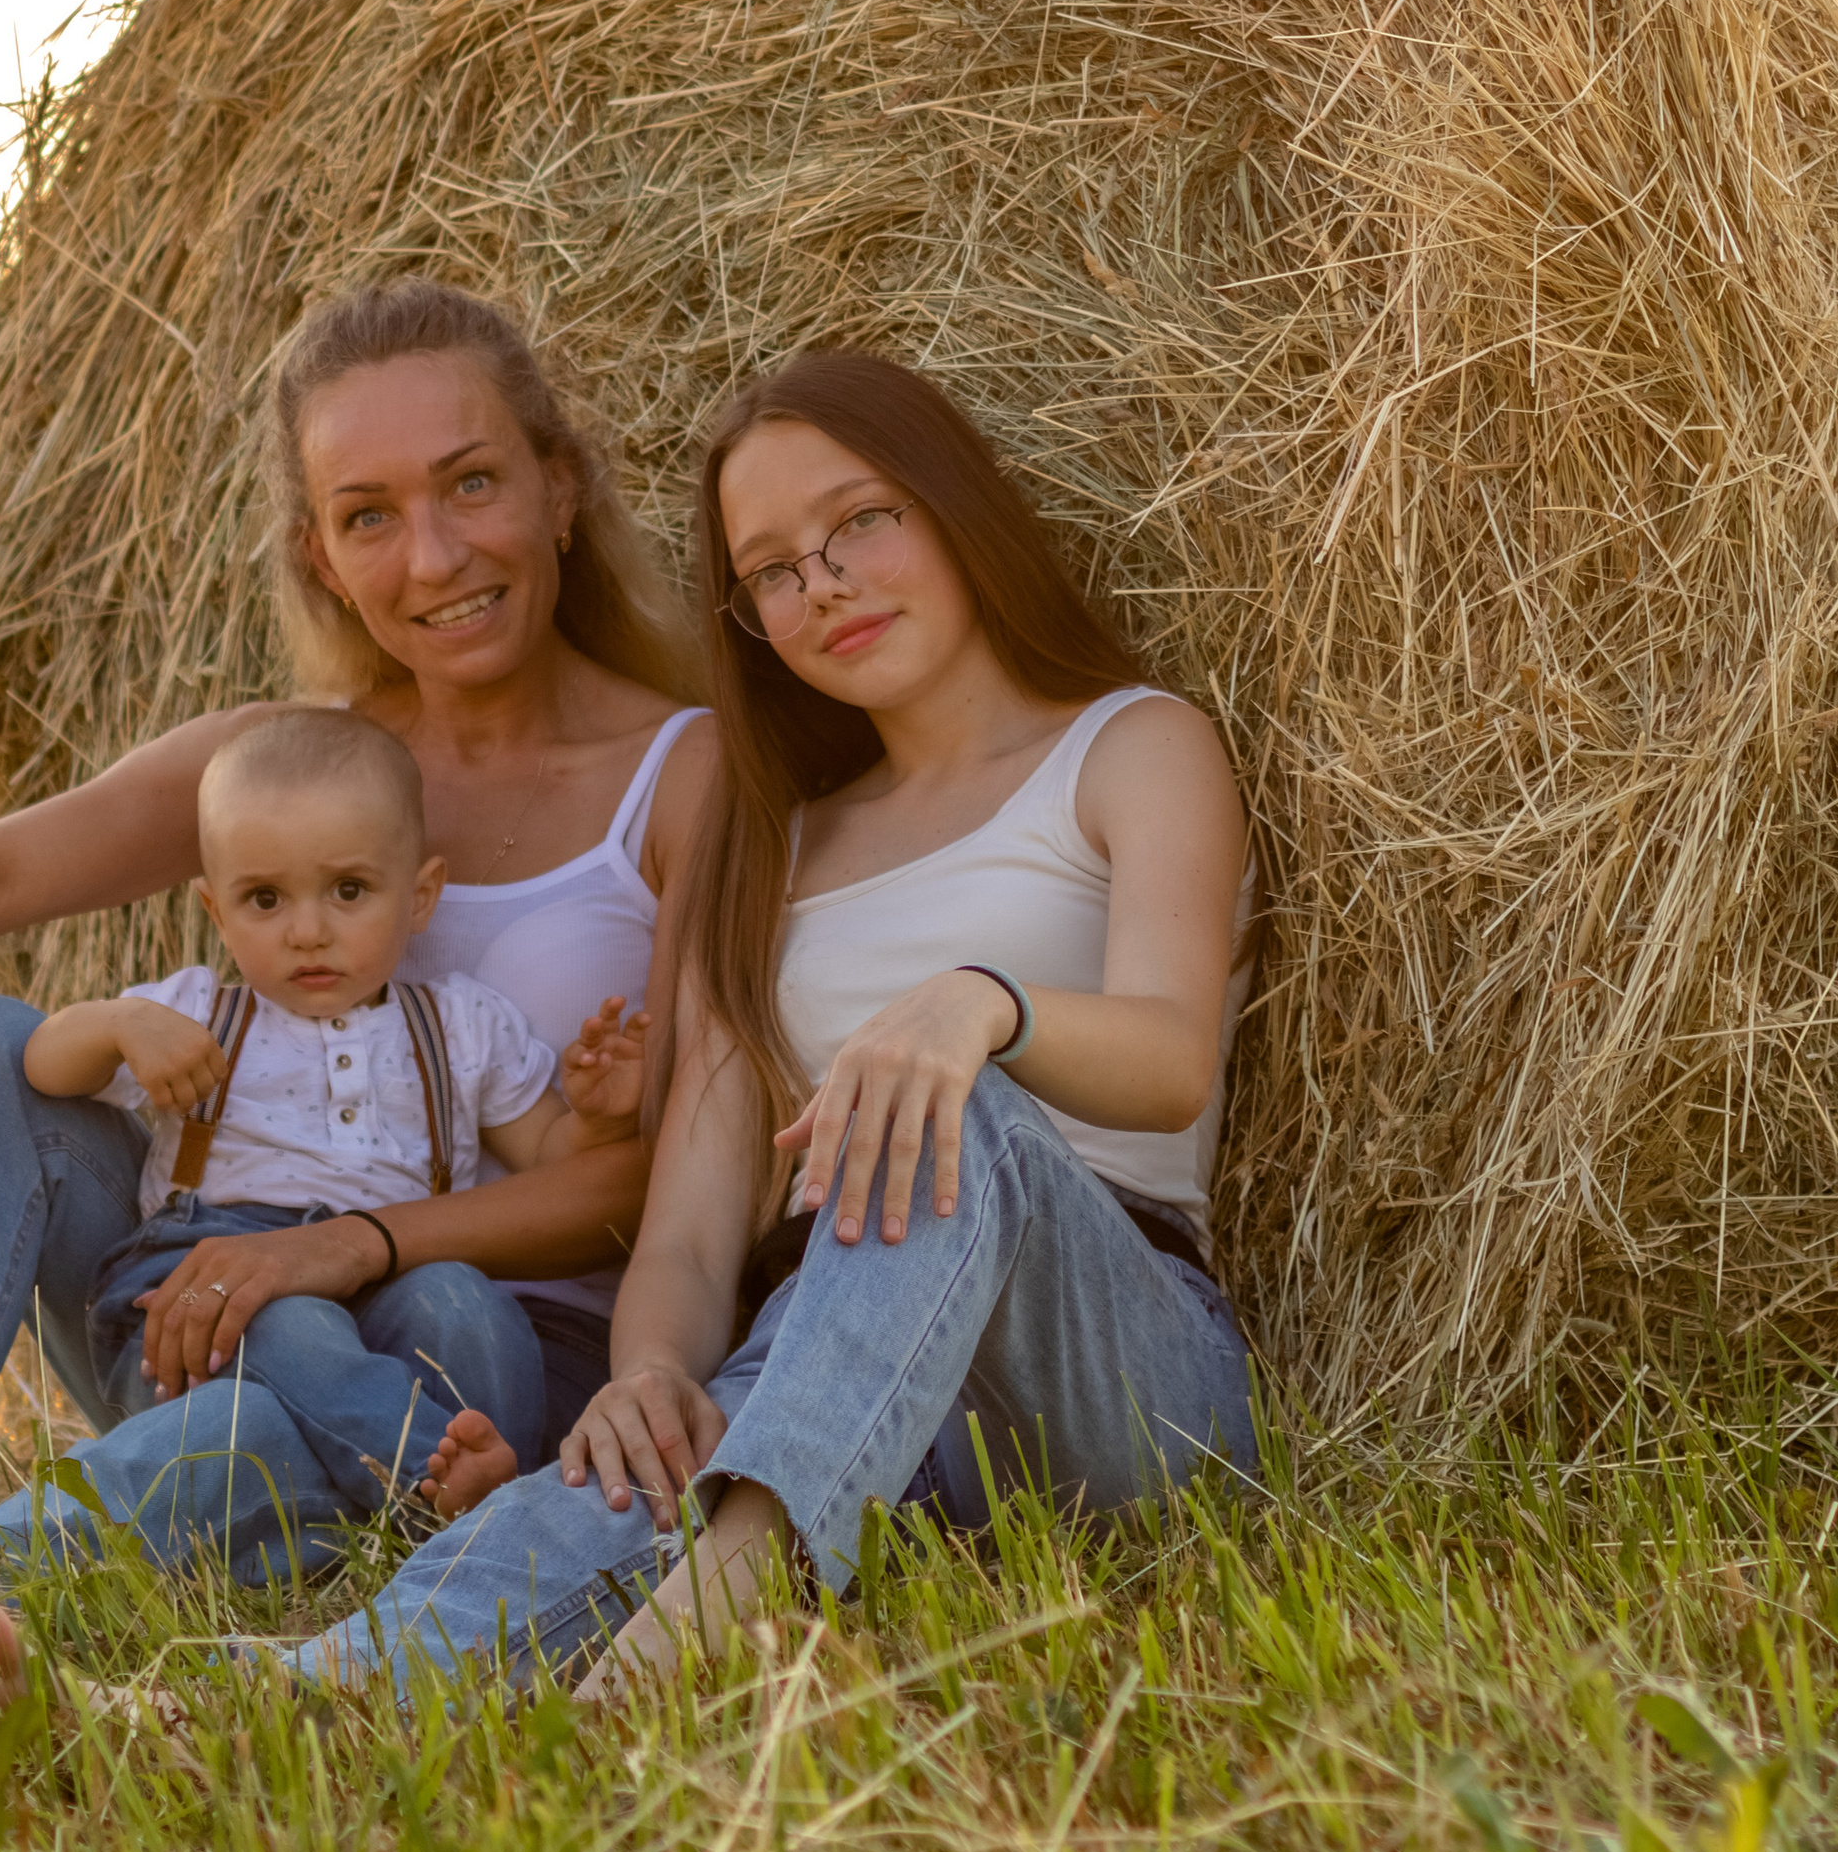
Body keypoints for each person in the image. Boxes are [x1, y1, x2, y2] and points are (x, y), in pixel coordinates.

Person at [277, 345, 1259, 1699]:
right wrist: (653, 1374)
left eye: (861, 521)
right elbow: (690, 1218)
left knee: (945, 1112)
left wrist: (979, 1011)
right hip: (843, 1372)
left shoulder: (1130, 748)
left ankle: (714, 1604)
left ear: (952, 504)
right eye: (775, 572)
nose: (826, 587)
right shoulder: (774, 846)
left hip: (1115, 1380)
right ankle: (278, 1696)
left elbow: (1169, 1058)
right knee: (637, 1463)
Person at [0, 279, 714, 1581]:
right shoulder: (284, 775)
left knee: (292, 1420)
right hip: (217, 1316)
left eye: (472, 484)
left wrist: (339, 1251)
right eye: (368, 516)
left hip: (494, 1362)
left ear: (560, 488)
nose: (431, 558)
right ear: (319, 552)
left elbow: (669, 1172)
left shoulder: (685, 775)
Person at [0, 707, 627, 1664]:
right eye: (264, 900)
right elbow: (43, 1068)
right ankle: (444, 1482)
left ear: (421, 897)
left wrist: (597, 1113)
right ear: (214, 911)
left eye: (347, 890)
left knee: (464, 1299)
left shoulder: (459, 1027)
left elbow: (550, 1155)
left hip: (386, 1285)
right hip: (205, 1290)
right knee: (293, 1322)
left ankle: (423, 1506)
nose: (308, 930)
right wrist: (120, 1023)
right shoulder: (201, 1012)